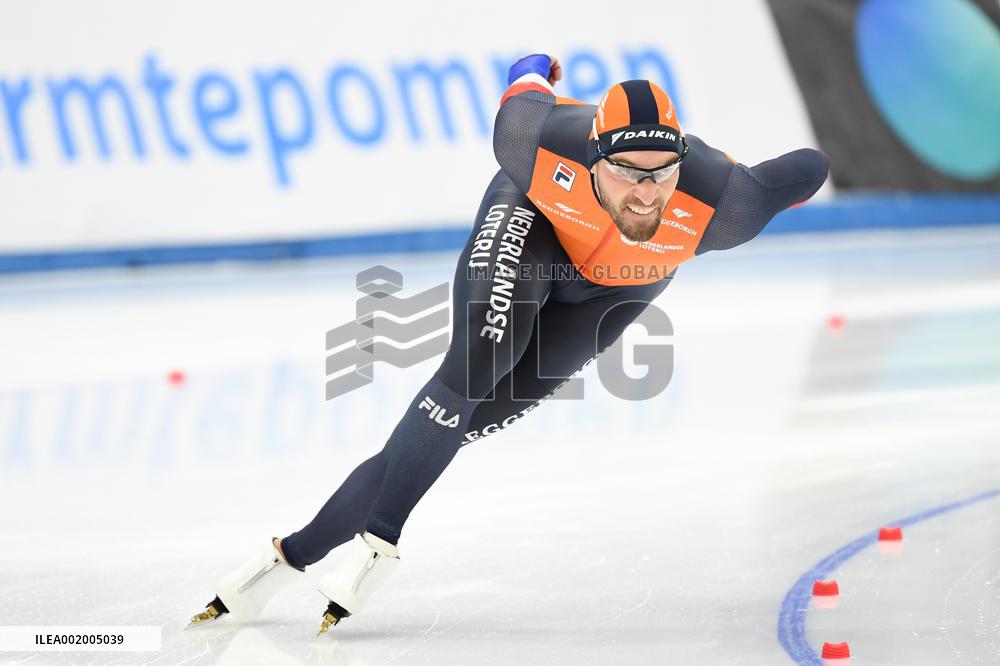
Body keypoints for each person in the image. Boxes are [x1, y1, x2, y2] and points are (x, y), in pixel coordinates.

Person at [189, 54, 829, 633]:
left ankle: (286, 558)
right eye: (627, 173)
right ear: (592, 158)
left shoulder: (723, 206)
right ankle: (381, 543)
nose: (644, 194)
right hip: (534, 229)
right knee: (474, 367)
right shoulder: (533, 141)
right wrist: (536, 69)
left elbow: (810, 168)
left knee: (457, 426)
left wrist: (759, 189)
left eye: (661, 175)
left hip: (615, 293)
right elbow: (524, 83)